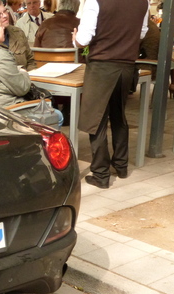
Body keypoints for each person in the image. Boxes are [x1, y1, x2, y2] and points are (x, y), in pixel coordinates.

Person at [73, 0, 148, 188]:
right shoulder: (143, 2)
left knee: (95, 120)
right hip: (127, 65)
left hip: (102, 66)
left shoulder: (95, 1)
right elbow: (142, 32)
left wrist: (75, 38)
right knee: (118, 115)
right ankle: (121, 166)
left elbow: (84, 40)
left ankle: (100, 174)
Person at [0, 0, 37, 70]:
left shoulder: (18, 32)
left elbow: (30, 60)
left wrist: (30, 76)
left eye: (5, 11)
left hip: (24, 78)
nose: (5, 15)